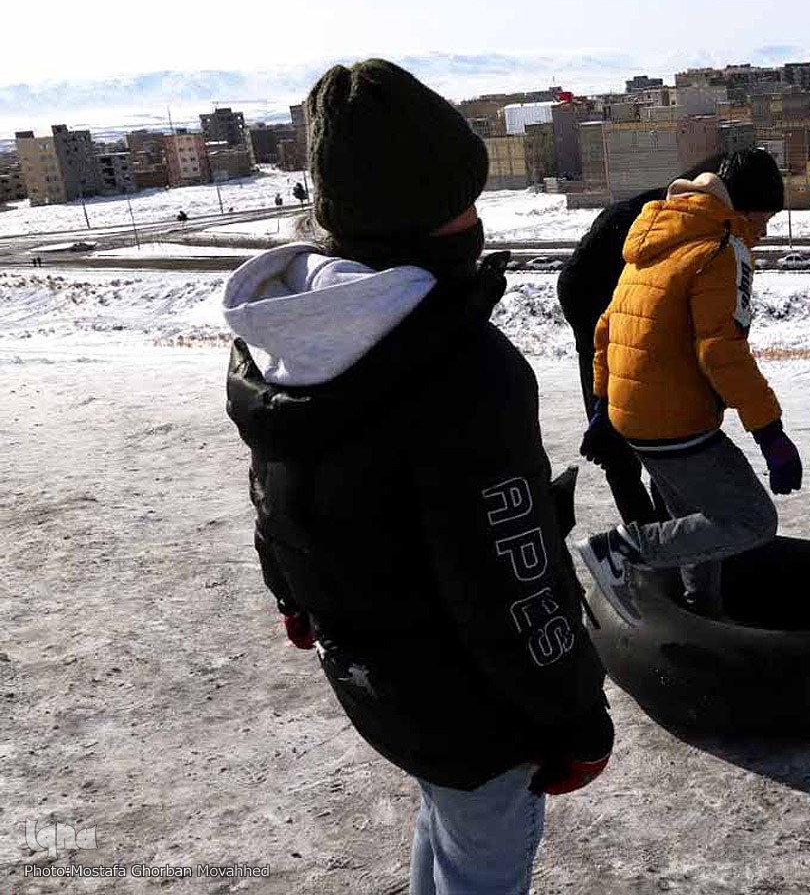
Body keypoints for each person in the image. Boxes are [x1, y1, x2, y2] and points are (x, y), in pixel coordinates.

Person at [221, 59, 610, 895]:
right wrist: (575, 710)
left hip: (375, 677)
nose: (474, 219)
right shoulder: (462, 367)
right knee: (482, 859)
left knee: (445, 819)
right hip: (478, 708)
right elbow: (509, 573)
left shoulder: (292, 335)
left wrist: (294, 598)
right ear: (422, 216)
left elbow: (275, 494)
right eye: (461, 202)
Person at [574, 149, 801, 622]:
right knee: (751, 521)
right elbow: (721, 352)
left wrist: (602, 404)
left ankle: (703, 612)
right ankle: (620, 550)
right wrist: (770, 433)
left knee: (694, 526)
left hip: (634, 417)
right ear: (743, 207)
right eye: (765, 217)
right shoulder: (721, 248)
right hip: (674, 421)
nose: (765, 230)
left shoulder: (656, 237)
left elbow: (605, 328)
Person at [557, 154, 725, 525]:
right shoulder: (640, 221)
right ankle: (647, 540)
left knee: (664, 445)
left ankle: (664, 532)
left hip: (638, 332)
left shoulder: (697, 223)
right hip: (600, 326)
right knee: (622, 450)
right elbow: (575, 290)